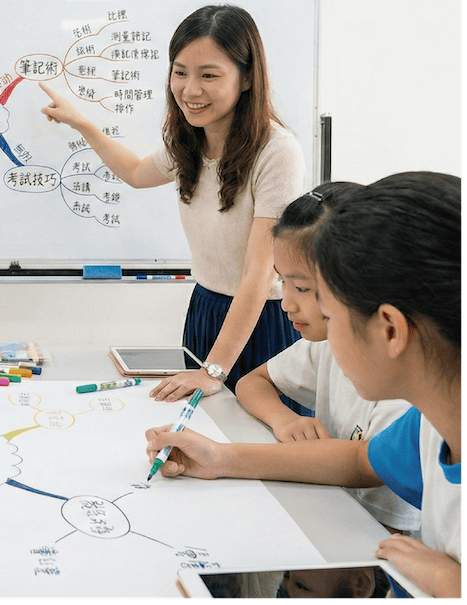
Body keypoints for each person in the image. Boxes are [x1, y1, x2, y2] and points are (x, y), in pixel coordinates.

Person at [146, 171, 462, 598]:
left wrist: (450, 583)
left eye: (329, 315)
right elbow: (359, 462)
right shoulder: (430, 424)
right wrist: (220, 458)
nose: (318, 332)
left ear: (390, 329)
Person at [40, 4, 304, 402]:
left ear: (247, 78)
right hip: (205, 308)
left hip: (261, 319)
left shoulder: (277, 150)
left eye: (209, 75)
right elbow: (135, 172)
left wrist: (213, 370)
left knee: (260, 448)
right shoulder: (190, 141)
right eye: (180, 72)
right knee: (198, 436)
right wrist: (82, 123)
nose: (190, 89)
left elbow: (258, 275)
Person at [232, 182, 419, 537]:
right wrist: (281, 419)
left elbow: (364, 468)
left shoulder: (404, 392)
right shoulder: (328, 343)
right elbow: (253, 381)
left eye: (301, 288)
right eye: (281, 282)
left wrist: (224, 459)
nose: (286, 303)